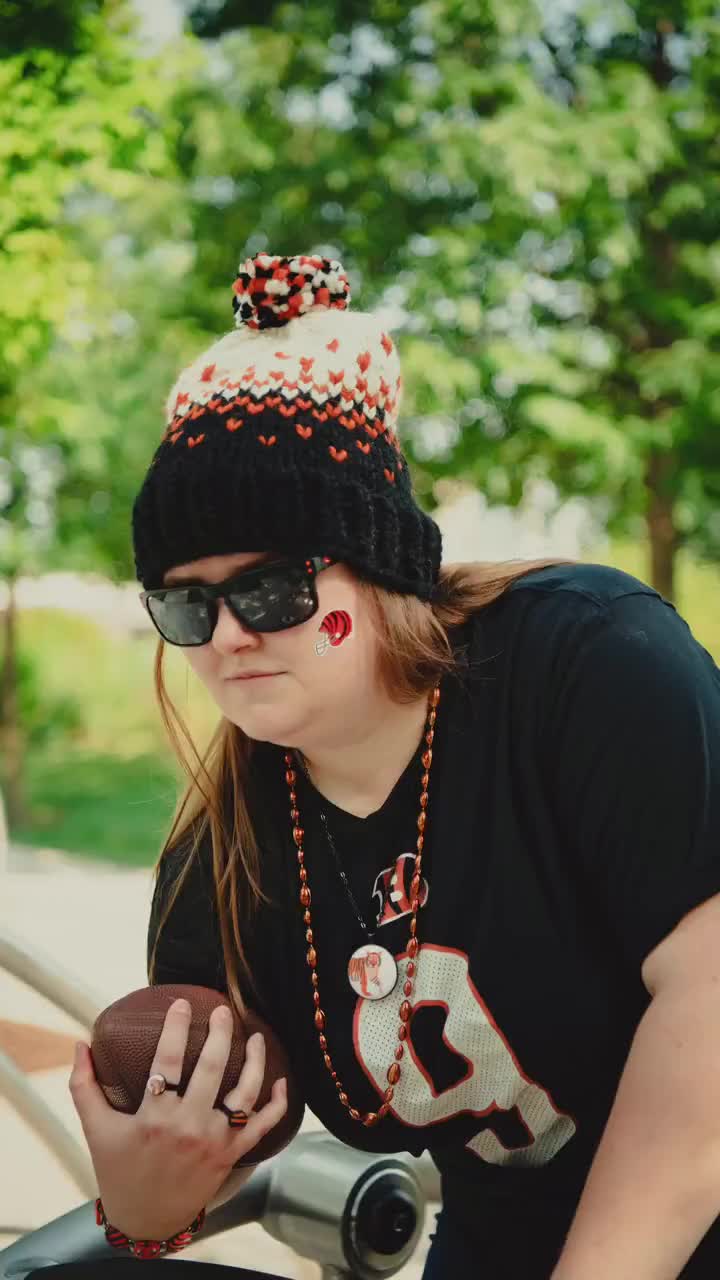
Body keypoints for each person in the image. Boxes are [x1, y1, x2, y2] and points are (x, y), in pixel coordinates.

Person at [69, 252, 720, 1277]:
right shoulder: (230, 854)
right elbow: (177, 1194)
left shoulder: (591, 664)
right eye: (186, 603)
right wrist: (145, 1190)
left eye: (274, 587)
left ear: (379, 561)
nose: (228, 636)